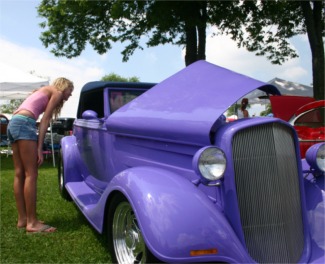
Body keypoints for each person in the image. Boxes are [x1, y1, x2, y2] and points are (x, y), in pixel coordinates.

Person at [7, 77, 74, 233]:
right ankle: (32, 223)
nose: (70, 95)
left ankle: (23, 219)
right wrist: (39, 148)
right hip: (24, 123)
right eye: (70, 91)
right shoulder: (56, 92)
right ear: (64, 87)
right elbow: (45, 120)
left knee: (19, 174)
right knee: (31, 173)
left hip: (14, 122)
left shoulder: (43, 90)